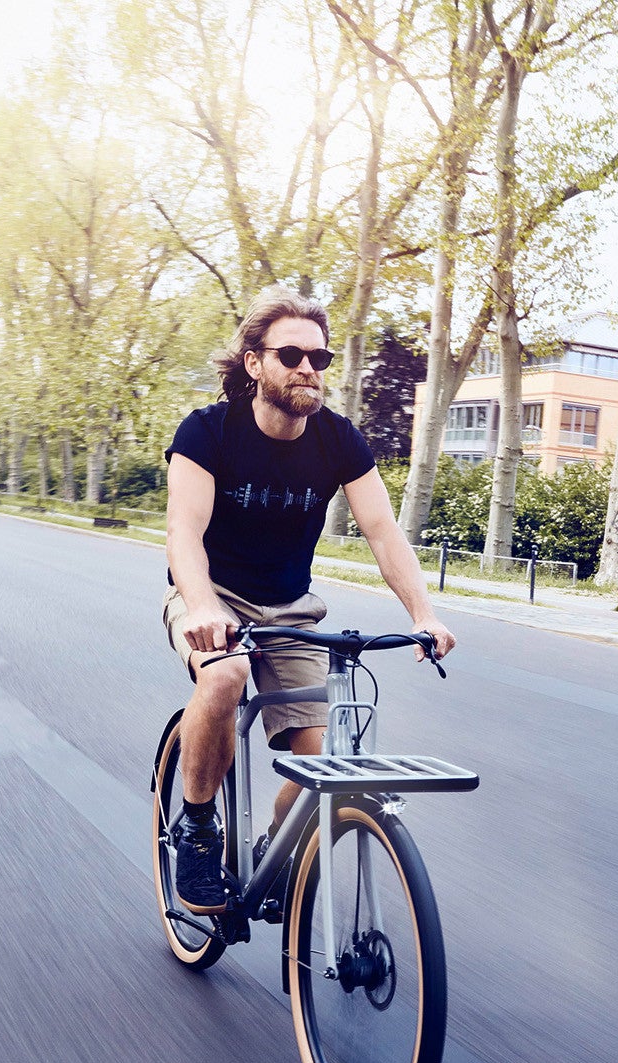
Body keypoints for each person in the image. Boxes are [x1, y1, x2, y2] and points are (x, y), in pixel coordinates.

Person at [163, 287, 455, 915]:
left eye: (319, 359)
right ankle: (194, 826)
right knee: (225, 676)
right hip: (211, 596)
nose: (307, 368)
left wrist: (422, 615)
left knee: (324, 761)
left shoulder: (338, 440)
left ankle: (276, 849)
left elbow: (382, 531)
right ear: (253, 364)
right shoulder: (207, 432)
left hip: (291, 608)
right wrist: (203, 606)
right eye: (291, 354)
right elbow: (183, 531)